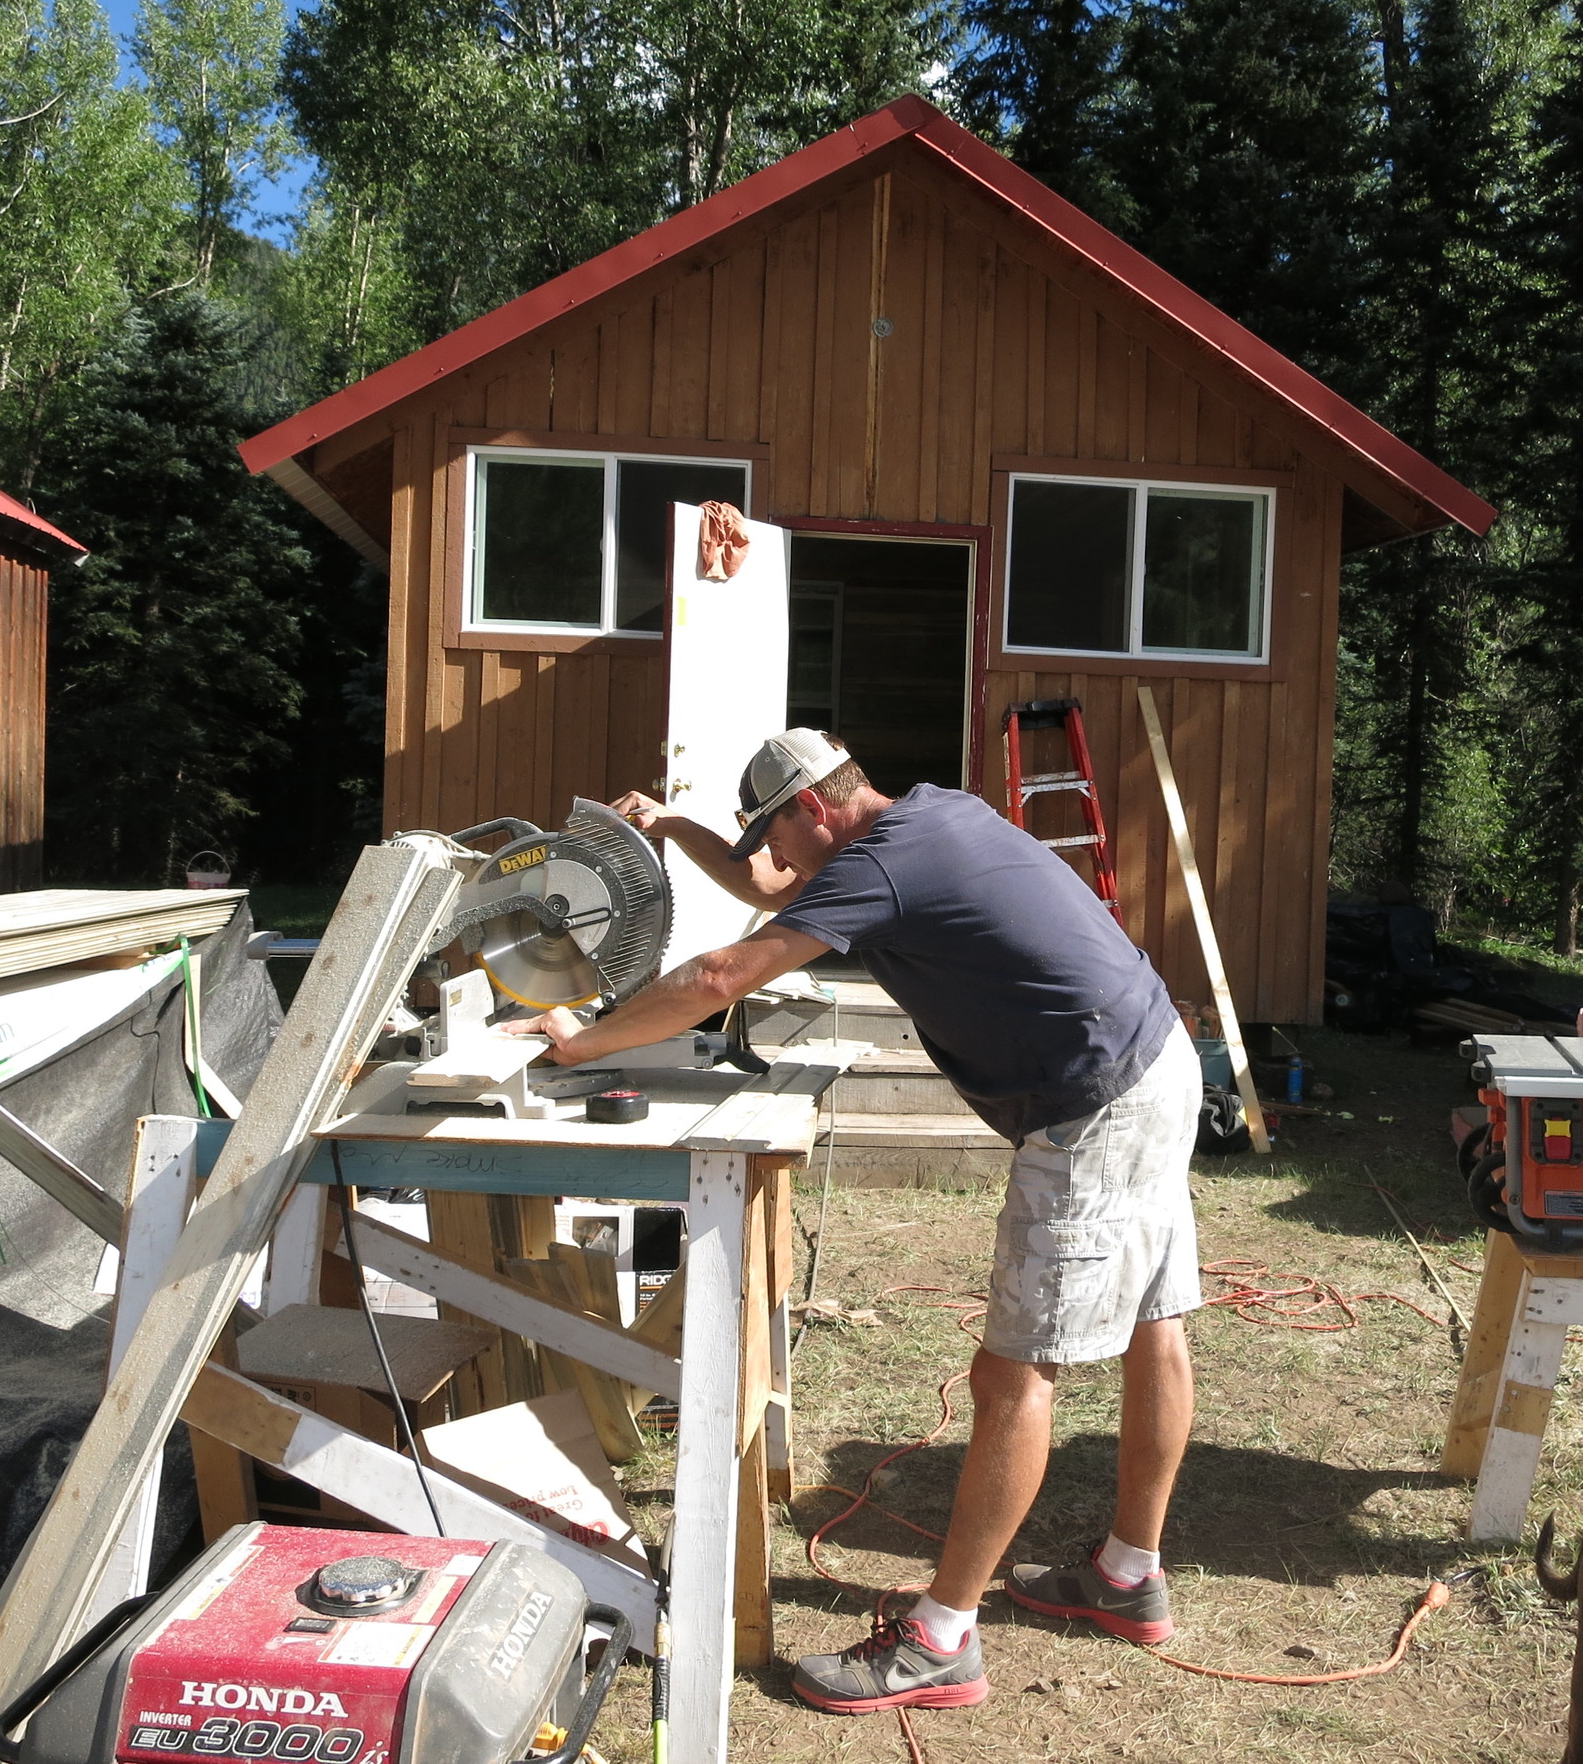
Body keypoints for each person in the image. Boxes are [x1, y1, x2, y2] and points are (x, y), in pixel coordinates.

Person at [505, 728, 1203, 1715]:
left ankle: (941, 1640)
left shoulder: (882, 862)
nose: (772, 856)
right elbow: (766, 889)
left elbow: (719, 977)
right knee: (1150, 1326)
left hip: (1091, 1103)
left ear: (813, 808)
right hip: (1152, 1054)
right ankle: (1129, 1575)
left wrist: (581, 1047)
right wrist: (672, 826)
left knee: (1013, 1373)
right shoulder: (925, 821)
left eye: (774, 832)